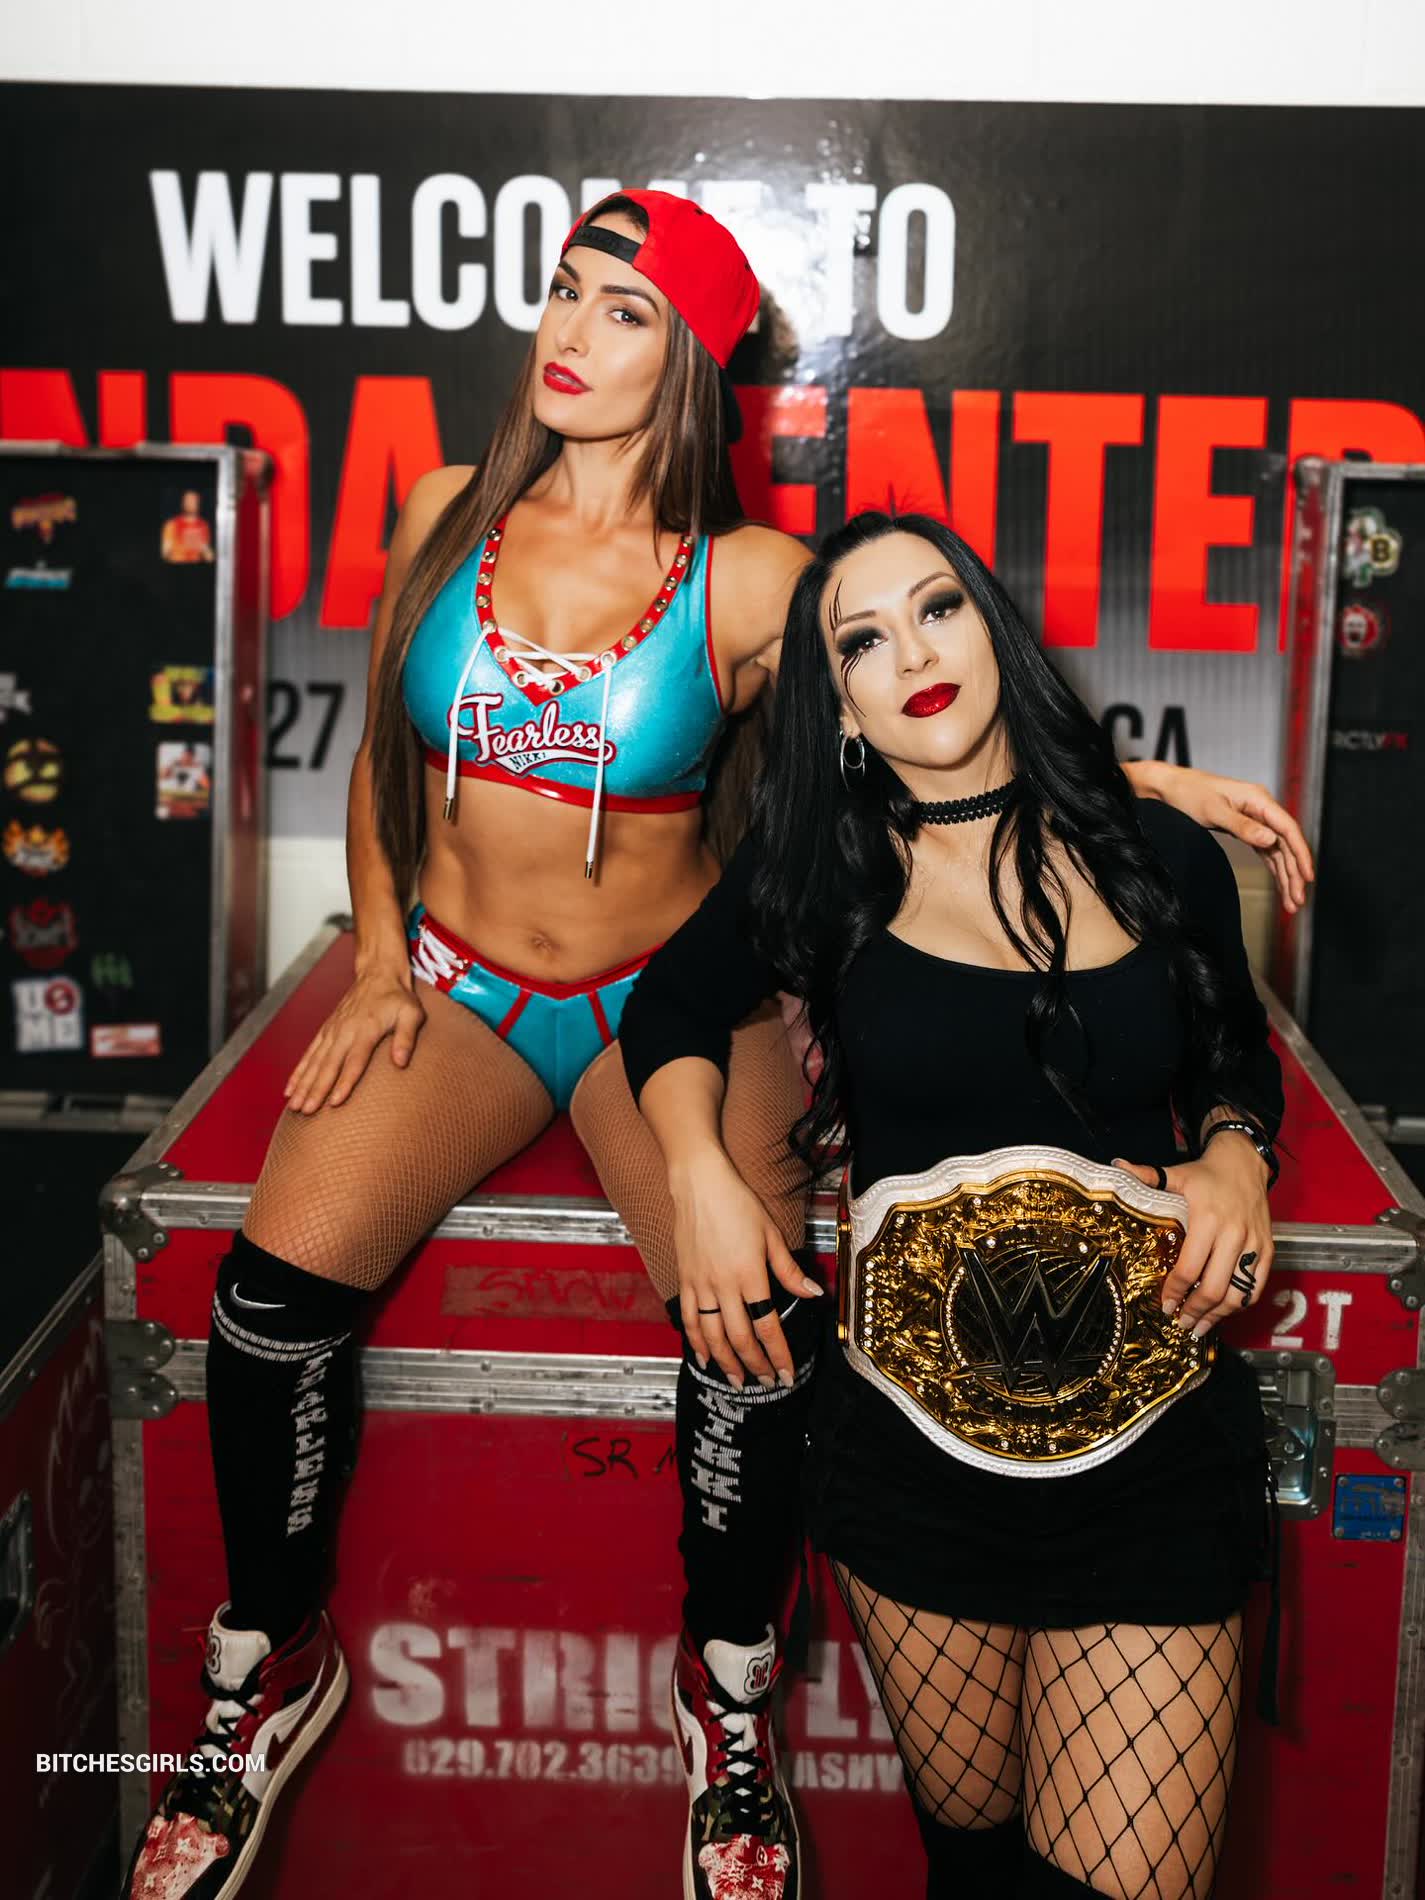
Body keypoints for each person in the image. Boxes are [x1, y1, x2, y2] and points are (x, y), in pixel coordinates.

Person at [122, 184, 1309, 1900]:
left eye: (623, 311)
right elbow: (382, 756)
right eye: (562, 291)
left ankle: (729, 1697)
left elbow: (916, 691)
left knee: (746, 1320)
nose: (570, 333)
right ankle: (270, 1653)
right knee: (265, 1297)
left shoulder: (747, 577)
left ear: (685, 361)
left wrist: (1132, 784)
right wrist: (378, 963)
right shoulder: (446, 510)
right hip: (458, 986)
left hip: (662, 993)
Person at [619, 511, 1285, 1900]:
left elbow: (1234, 1051)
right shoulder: (823, 871)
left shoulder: (1156, 852)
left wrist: (1234, 1156)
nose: (913, 654)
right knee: (973, 1873)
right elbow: (668, 1010)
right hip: (911, 1464)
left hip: (1150, 1449)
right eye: (862, 640)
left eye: (938, 609)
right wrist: (700, 1175)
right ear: (838, 703)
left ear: (994, 629)